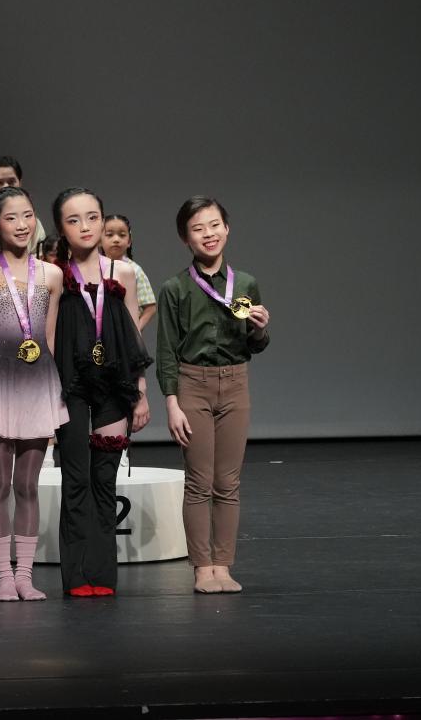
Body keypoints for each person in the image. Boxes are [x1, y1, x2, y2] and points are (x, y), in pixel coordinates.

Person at [156, 196, 271, 594]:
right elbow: (166, 350)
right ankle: (202, 568)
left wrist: (259, 328)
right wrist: (171, 403)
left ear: (227, 228)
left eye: (214, 224)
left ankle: (223, 565)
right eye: (198, 228)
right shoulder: (175, 288)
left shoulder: (246, 283)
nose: (208, 233)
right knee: (199, 481)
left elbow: (255, 344)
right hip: (193, 384)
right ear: (185, 238)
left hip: (235, 382)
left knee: (228, 482)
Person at [0, 186, 68, 601]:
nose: (22, 224)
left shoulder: (52, 275)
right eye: (11, 217)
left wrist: (58, 396)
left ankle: (25, 575)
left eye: (28, 215)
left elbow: (51, 340)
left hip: (38, 385)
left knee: (28, 486)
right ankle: (3, 576)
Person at [50, 188, 153, 597]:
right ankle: (77, 575)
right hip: (71, 385)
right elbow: (49, 336)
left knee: (104, 479)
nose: (85, 227)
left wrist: (141, 392)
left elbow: (133, 338)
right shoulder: (54, 274)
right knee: (75, 477)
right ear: (61, 227)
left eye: (92, 217)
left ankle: (102, 573)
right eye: (73, 220)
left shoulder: (122, 272)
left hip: (113, 384)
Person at [102, 214, 157, 332]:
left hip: (124, 333)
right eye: (109, 235)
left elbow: (150, 307)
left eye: (122, 235)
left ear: (129, 241)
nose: (116, 239)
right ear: (99, 240)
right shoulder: (94, 268)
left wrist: (135, 331)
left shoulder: (134, 270)